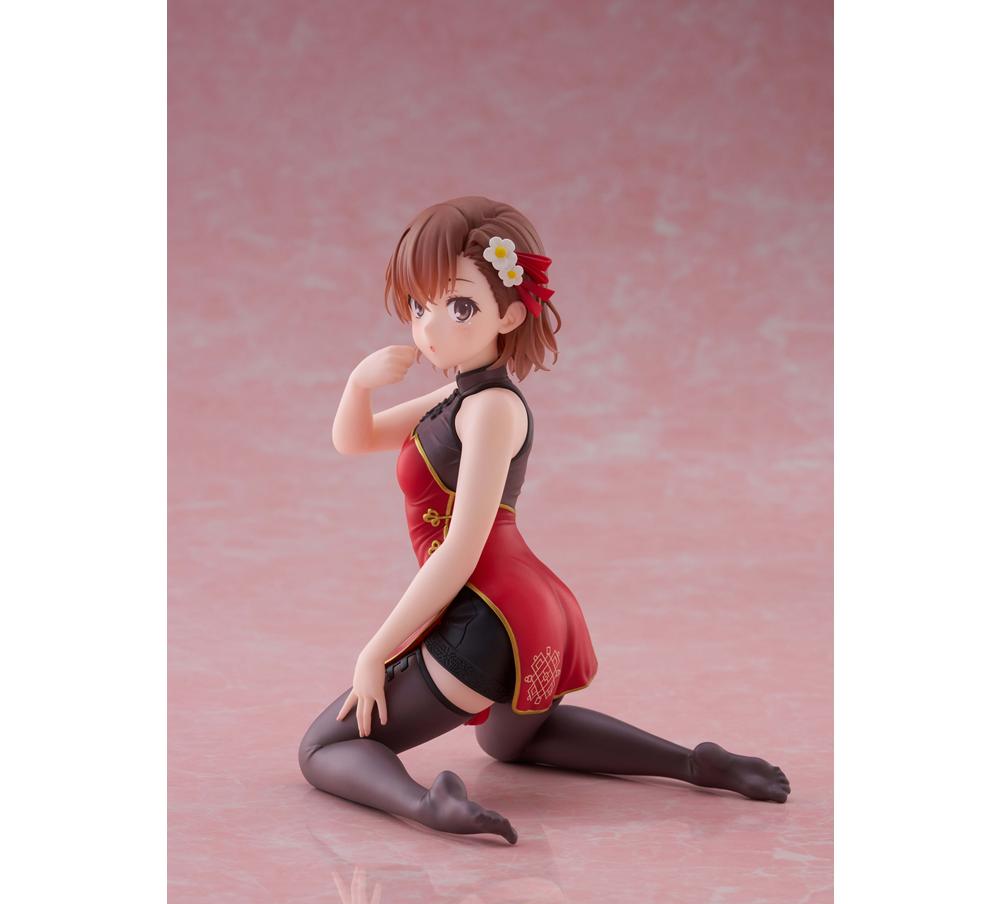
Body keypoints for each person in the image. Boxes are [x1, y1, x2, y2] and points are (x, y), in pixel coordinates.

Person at [298, 196, 790, 844]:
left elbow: (459, 552)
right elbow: (355, 439)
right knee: (512, 742)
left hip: (487, 615)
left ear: (508, 313)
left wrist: (376, 652)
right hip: (530, 605)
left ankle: (429, 806)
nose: (430, 328)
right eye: (419, 306)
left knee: (322, 748)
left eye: (459, 307)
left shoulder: (490, 410)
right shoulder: (459, 395)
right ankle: (696, 764)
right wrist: (359, 385)